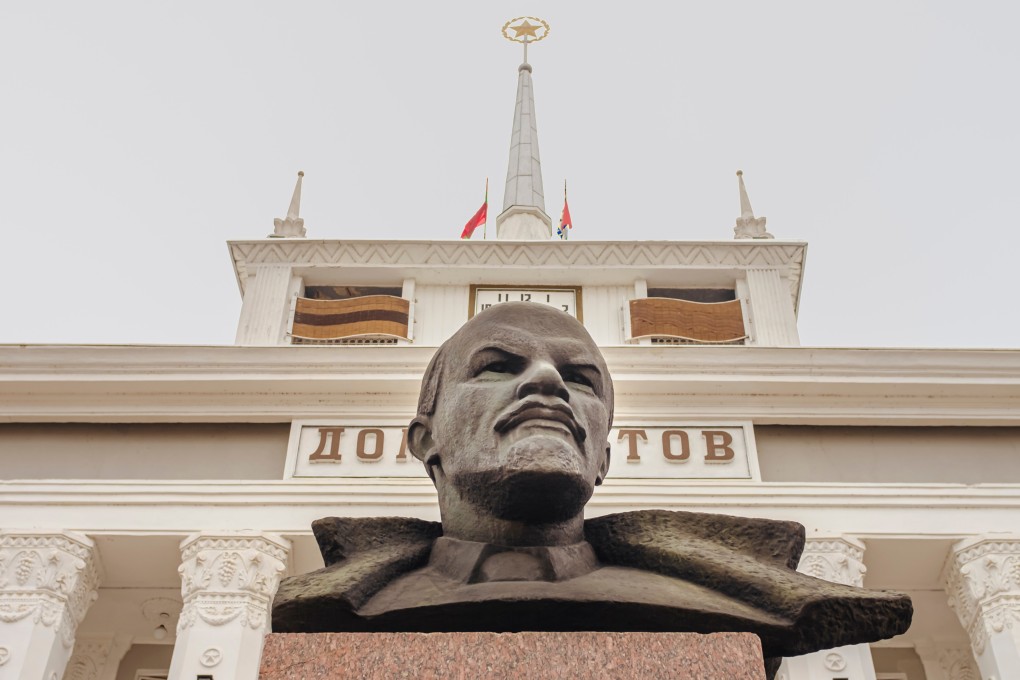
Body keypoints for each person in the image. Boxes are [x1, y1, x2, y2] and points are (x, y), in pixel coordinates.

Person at [273, 303, 911, 677]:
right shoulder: (353, 599)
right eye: (498, 366)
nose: (548, 381)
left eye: (581, 378)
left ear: (602, 456)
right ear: (424, 440)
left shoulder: (711, 598)